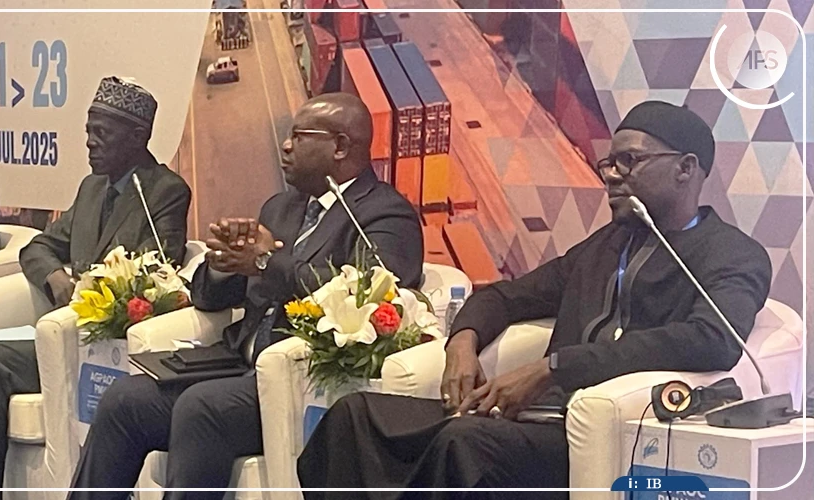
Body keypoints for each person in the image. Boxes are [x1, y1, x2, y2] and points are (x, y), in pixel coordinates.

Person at [296, 101, 773, 499]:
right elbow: (508, 296)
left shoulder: (732, 254)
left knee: (465, 443)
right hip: (526, 419)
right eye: (609, 164)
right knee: (355, 415)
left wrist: (554, 368)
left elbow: (712, 340)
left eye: (630, 162)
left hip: (595, 436)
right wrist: (461, 343)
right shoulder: (605, 246)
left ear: (686, 169)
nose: (612, 176)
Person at [67, 93, 424, 500]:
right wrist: (224, 263)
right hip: (235, 365)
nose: (285, 146)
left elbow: (369, 295)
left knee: (202, 407)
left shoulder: (384, 214)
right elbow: (209, 297)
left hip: (302, 383)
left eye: (299, 136)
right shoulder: (281, 208)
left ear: (340, 146)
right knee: (125, 399)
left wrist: (266, 262)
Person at [0, 76, 191, 500]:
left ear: (138, 136)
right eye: (88, 131)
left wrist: (95, 290)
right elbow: (39, 246)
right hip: (60, 333)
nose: (90, 142)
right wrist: (54, 277)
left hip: (102, 343)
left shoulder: (164, 191)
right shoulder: (92, 187)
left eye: (102, 133)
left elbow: (157, 270)